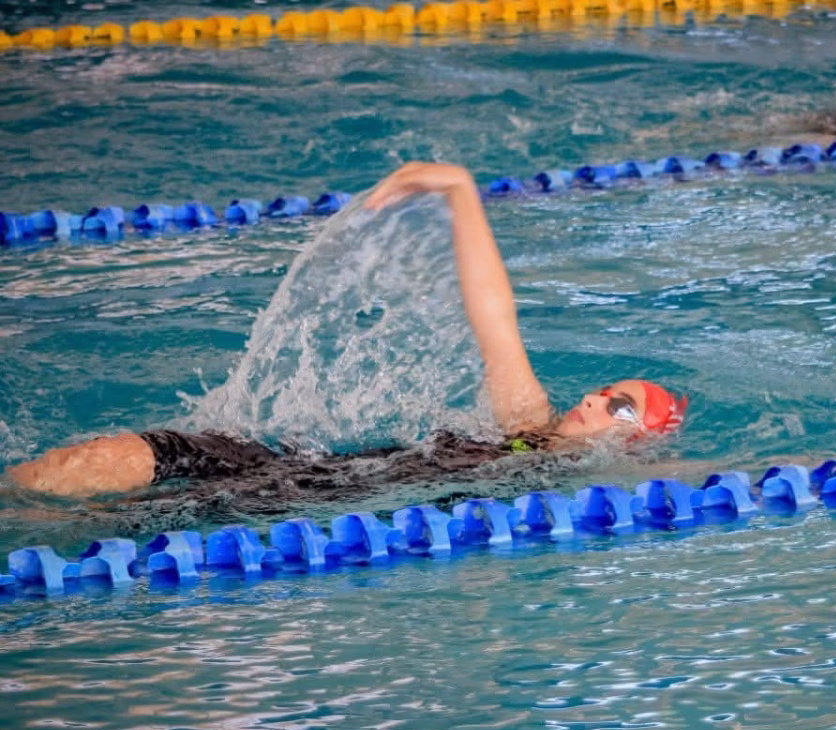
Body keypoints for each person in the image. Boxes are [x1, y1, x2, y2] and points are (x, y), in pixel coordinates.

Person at [5, 162, 687, 500]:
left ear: (636, 441)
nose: (597, 400)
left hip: (285, 509)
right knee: (88, 463)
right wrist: (458, 187)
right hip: (277, 465)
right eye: (605, 390)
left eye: (619, 407)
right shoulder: (524, 420)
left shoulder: (561, 480)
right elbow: (495, 317)